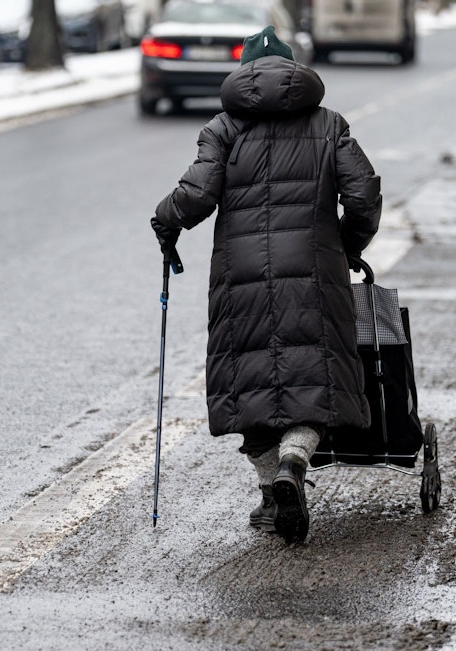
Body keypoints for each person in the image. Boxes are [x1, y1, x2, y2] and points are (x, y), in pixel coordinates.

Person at [150, 26, 382, 543]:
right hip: (315, 274)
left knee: (249, 385)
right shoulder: (328, 124)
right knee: (312, 380)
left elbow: (195, 195)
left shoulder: (223, 127)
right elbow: (363, 193)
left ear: (243, 72)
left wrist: (165, 220)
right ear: (294, 70)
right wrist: (347, 246)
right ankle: (293, 464)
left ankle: (268, 491)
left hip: (241, 278)